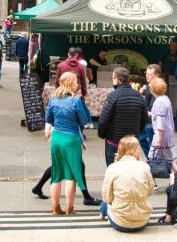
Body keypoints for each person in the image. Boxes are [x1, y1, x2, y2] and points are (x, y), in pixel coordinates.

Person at [45, 71, 91, 215]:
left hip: (56, 138)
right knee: (71, 176)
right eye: (76, 81)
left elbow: (49, 119)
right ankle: (69, 209)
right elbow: (84, 120)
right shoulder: (76, 100)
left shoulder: (53, 99)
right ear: (70, 83)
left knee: (56, 175)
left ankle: (55, 207)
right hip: (71, 139)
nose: (77, 83)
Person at [99, 135, 154, 232]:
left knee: (107, 199)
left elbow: (107, 198)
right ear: (133, 151)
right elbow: (150, 191)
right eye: (138, 148)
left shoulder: (112, 168)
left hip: (119, 222)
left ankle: (101, 214)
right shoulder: (145, 167)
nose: (139, 151)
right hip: (142, 220)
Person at [98, 67, 149, 166]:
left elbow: (103, 120)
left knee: (112, 170)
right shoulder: (138, 96)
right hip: (132, 142)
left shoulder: (113, 96)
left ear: (118, 80)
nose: (112, 80)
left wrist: (102, 134)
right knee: (130, 170)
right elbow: (145, 119)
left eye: (113, 78)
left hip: (114, 141)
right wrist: (137, 134)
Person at [148, 78, 177, 173]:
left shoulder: (159, 102)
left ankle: (149, 182)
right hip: (167, 133)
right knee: (170, 160)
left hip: (161, 135)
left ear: (153, 89)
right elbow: (163, 115)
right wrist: (152, 114)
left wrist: (158, 139)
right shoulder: (165, 98)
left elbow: (160, 121)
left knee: (151, 158)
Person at [138, 64, 161, 156]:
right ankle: (150, 157)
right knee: (141, 139)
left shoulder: (158, 86)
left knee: (152, 142)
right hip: (146, 118)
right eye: (146, 73)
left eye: (150, 74)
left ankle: (154, 160)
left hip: (151, 119)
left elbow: (155, 102)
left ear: (157, 75)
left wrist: (150, 112)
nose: (147, 75)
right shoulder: (149, 84)